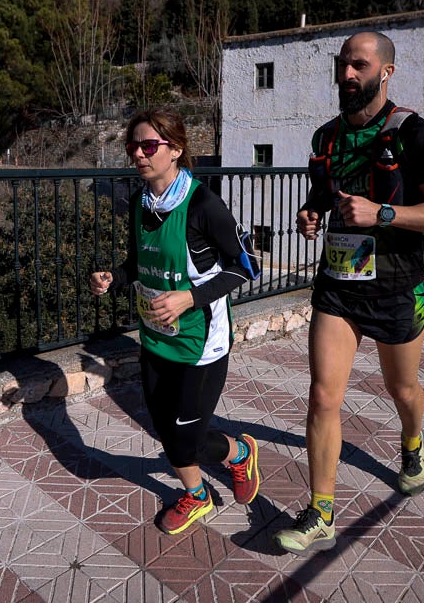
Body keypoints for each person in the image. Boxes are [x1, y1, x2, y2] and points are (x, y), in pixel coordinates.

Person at [273, 32, 424, 555]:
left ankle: (412, 443)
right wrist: (311, 214)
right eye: (343, 64)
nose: (347, 74)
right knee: (323, 395)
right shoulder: (326, 137)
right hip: (339, 286)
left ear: (386, 72)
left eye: (359, 65)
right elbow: (323, 194)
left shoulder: (414, 134)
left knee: (402, 390)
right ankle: (321, 512)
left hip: (396, 287)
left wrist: (383, 213)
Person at [89, 108, 260, 535]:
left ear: (176, 149)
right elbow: (137, 263)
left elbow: (247, 266)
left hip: (201, 342)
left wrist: (190, 297)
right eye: (133, 146)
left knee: (186, 438)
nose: (139, 154)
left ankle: (239, 453)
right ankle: (198, 495)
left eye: (149, 146)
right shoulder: (139, 203)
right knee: (167, 431)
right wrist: (114, 277)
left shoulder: (203, 204)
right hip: (155, 337)